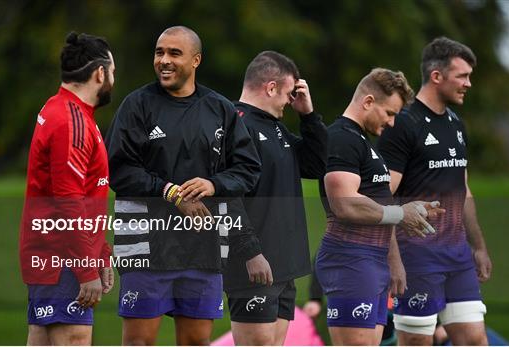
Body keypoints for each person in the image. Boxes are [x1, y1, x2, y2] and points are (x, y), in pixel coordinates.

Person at [105, 26, 266, 346]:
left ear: (196, 60)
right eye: (159, 52)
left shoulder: (220, 109)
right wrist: (172, 193)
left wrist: (212, 184)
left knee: (195, 343)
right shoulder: (136, 105)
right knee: (139, 342)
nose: (164, 60)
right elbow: (118, 170)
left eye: (174, 53)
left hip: (203, 250)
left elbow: (247, 169)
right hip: (145, 248)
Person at [315, 68, 445, 345]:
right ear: (368, 102)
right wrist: (402, 213)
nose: (392, 123)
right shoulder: (341, 138)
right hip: (350, 259)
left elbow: (379, 204)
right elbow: (345, 204)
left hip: (372, 261)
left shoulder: (365, 143)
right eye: (390, 113)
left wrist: (394, 261)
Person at [377, 36, 492, 346]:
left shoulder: (457, 124)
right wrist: (393, 257)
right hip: (417, 256)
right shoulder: (402, 123)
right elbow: (382, 194)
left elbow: (464, 190)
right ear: (436, 76)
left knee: (474, 340)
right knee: (416, 342)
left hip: (457, 256)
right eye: (462, 76)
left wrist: (477, 245)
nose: (468, 83)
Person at [223, 51, 327, 345]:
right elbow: (227, 198)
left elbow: (315, 165)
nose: (288, 101)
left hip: (284, 266)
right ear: (270, 87)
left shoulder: (275, 126)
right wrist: (250, 252)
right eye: (288, 93)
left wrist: (308, 116)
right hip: (254, 265)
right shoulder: (234, 124)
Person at [19, 32, 116, 345]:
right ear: (99, 73)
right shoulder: (71, 122)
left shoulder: (62, 110)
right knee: (73, 338)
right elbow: (69, 202)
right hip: (62, 260)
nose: (113, 78)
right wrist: (87, 268)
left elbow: (83, 195)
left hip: (57, 256)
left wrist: (101, 253)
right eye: (112, 71)